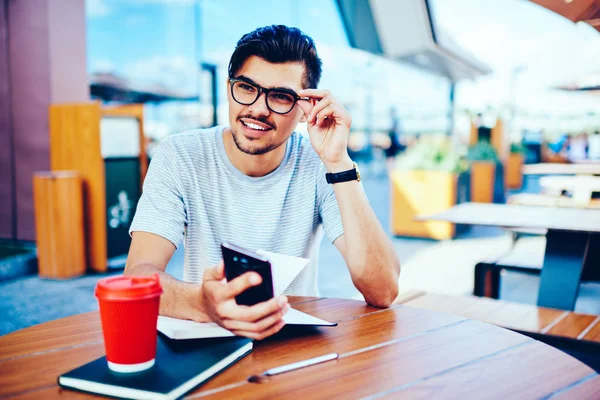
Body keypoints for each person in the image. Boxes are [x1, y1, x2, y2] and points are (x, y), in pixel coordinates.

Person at [124, 25, 400, 340]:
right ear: (229, 88)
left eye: (280, 96)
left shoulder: (319, 161)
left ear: (303, 109)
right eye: (246, 87)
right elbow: (137, 277)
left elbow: (384, 290)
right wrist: (203, 303)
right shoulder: (180, 155)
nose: (257, 108)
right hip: (207, 339)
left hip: (296, 345)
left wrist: (339, 163)